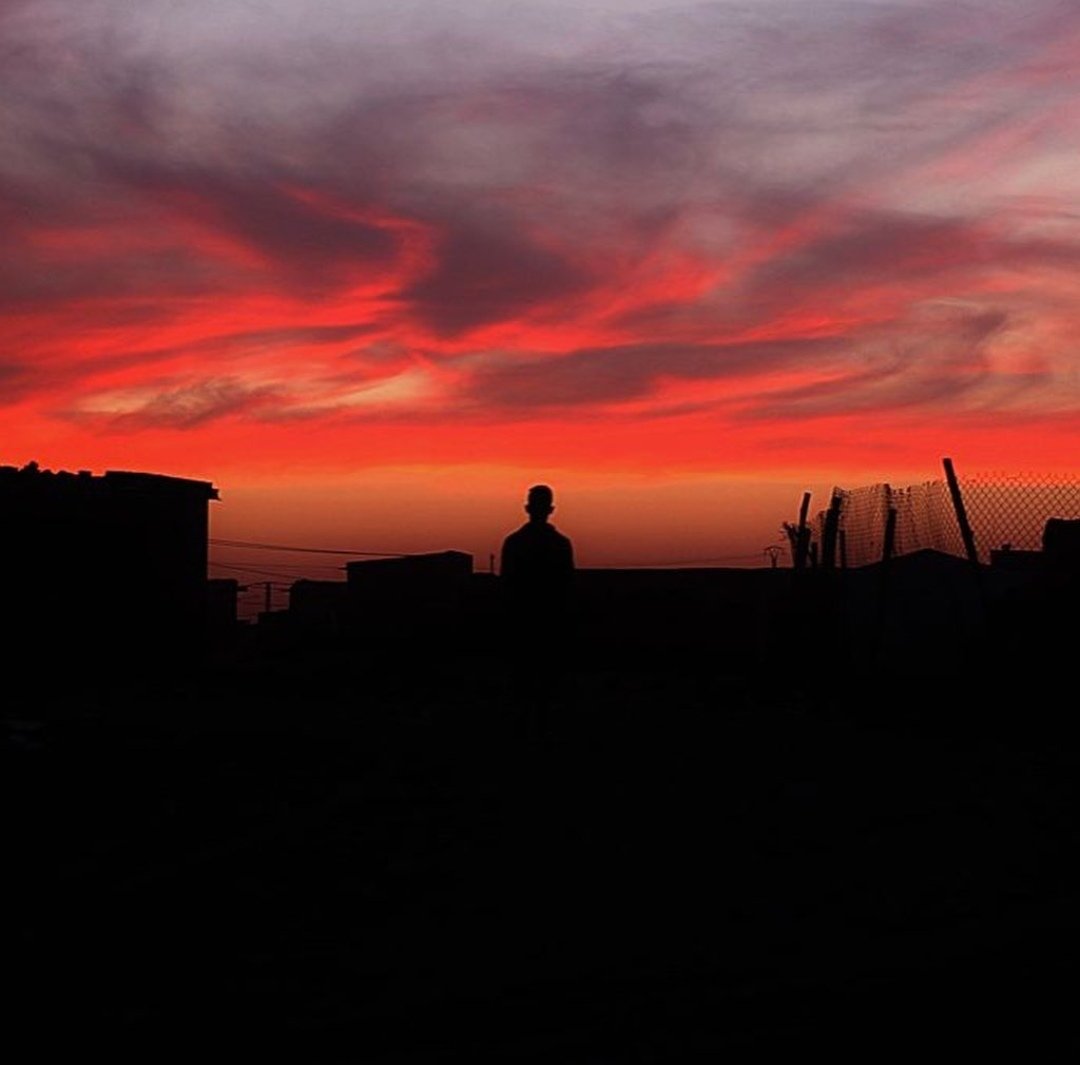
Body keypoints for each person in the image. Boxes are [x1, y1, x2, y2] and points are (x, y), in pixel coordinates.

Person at [499, 485, 576, 735]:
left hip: (523, 623)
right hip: (548, 623)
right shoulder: (560, 545)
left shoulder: (514, 543)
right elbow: (567, 586)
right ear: (551, 510)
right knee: (546, 686)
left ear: (528, 508)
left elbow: (507, 585)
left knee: (523, 685)